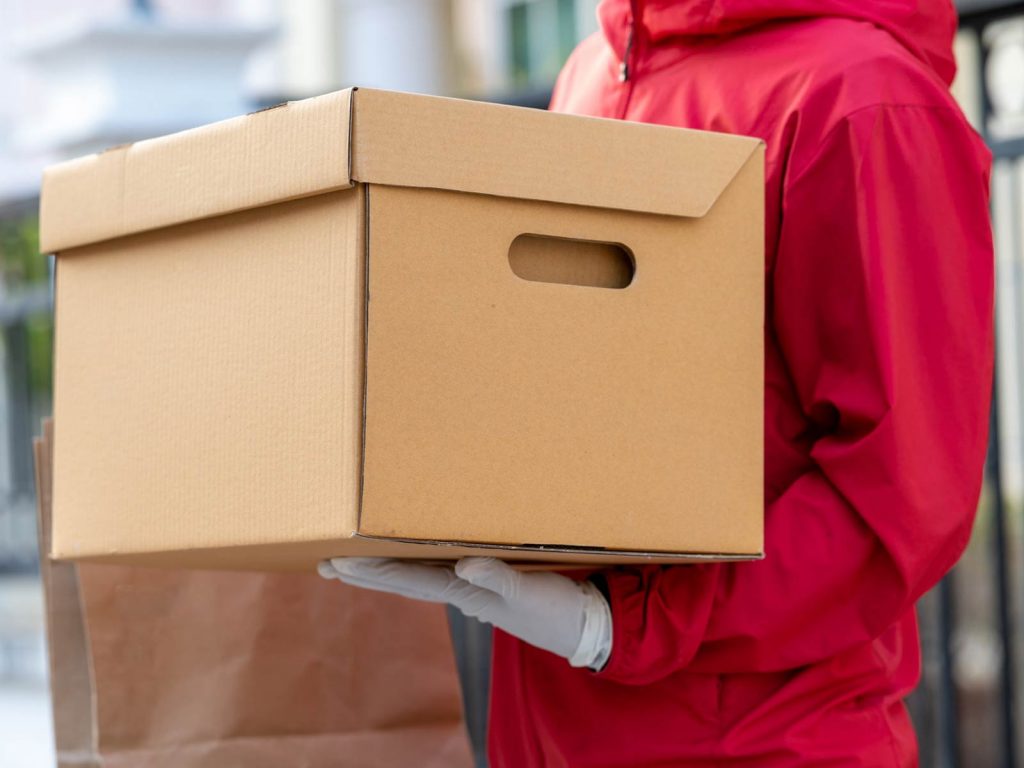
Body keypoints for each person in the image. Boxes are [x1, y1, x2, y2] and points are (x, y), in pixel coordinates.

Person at [318, 0, 994, 764]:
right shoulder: (590, 70)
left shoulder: (864, 96)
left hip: (764, 740)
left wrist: (615, 624)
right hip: (550, 728)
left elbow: (900, 492)